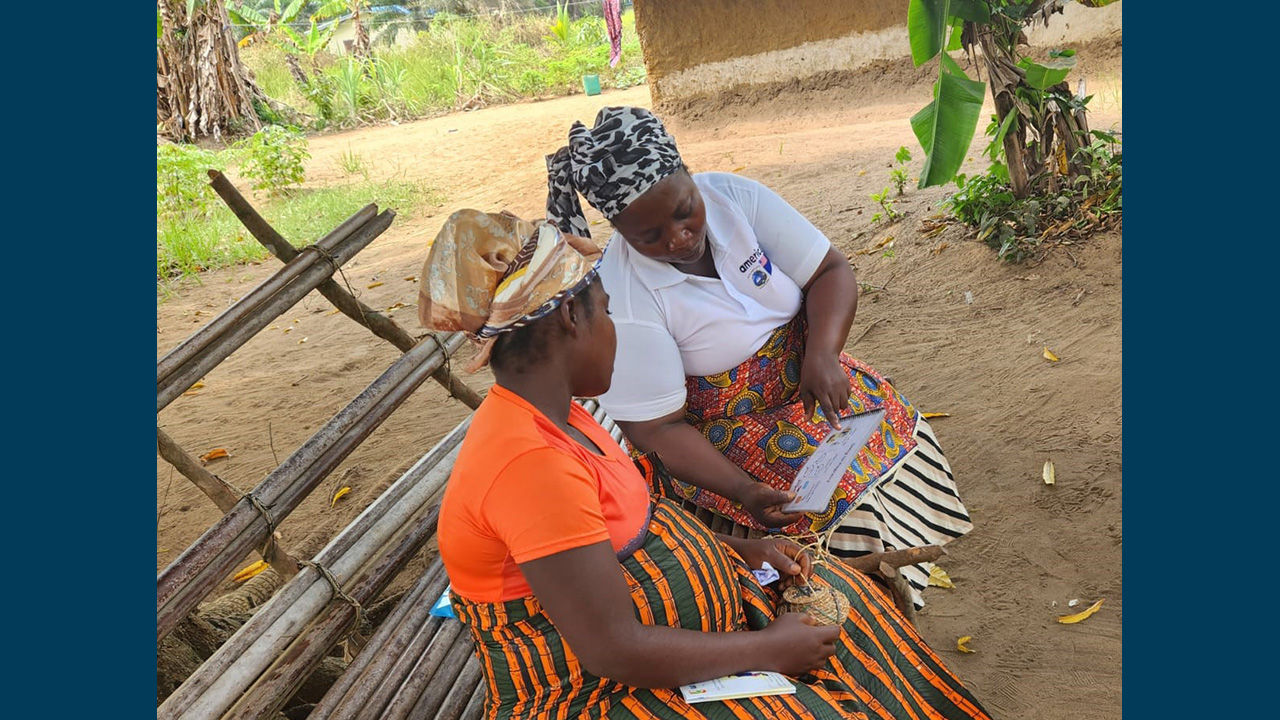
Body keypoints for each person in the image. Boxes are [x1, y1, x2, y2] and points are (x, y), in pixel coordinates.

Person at [420, 209, 991, 720]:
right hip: (596, 694)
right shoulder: (529, 464)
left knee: (848, 604)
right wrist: (768, 650)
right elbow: (612, 650)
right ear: (572, 316)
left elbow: (618, 539)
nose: (616, 331)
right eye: (609, 314)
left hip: (666, 640)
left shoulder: (560, 417)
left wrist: (741, 552)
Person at [545, 106, 973, 608]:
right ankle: (863, 602)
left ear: (688, 174)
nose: (678, 237)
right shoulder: (627, 294)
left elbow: (829, 271)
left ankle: (901, 568)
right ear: (618, 228)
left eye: (685, 211)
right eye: (650, 236)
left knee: (883, 418)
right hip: (725, 432)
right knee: (822, 499)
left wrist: (824, 354)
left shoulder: (735, 198)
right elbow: (657, 431)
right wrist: (743, 488)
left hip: (809, 379)